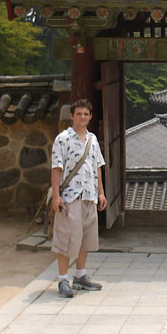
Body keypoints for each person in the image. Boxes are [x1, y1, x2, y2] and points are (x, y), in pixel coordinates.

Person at [50, 98, 107, 298]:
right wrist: (56, 196)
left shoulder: (92, 141)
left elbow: (97, 167)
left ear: (90, 117)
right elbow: (56, 168)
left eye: (86, 114)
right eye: (79, 114)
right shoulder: (63, 139)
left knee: (86, 237)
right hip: (69, 196)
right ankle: (63, 279)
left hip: (89, 195)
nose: (82, 117)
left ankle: (81, 275)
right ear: (72, 116)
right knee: (66, 237)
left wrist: (101, 192)